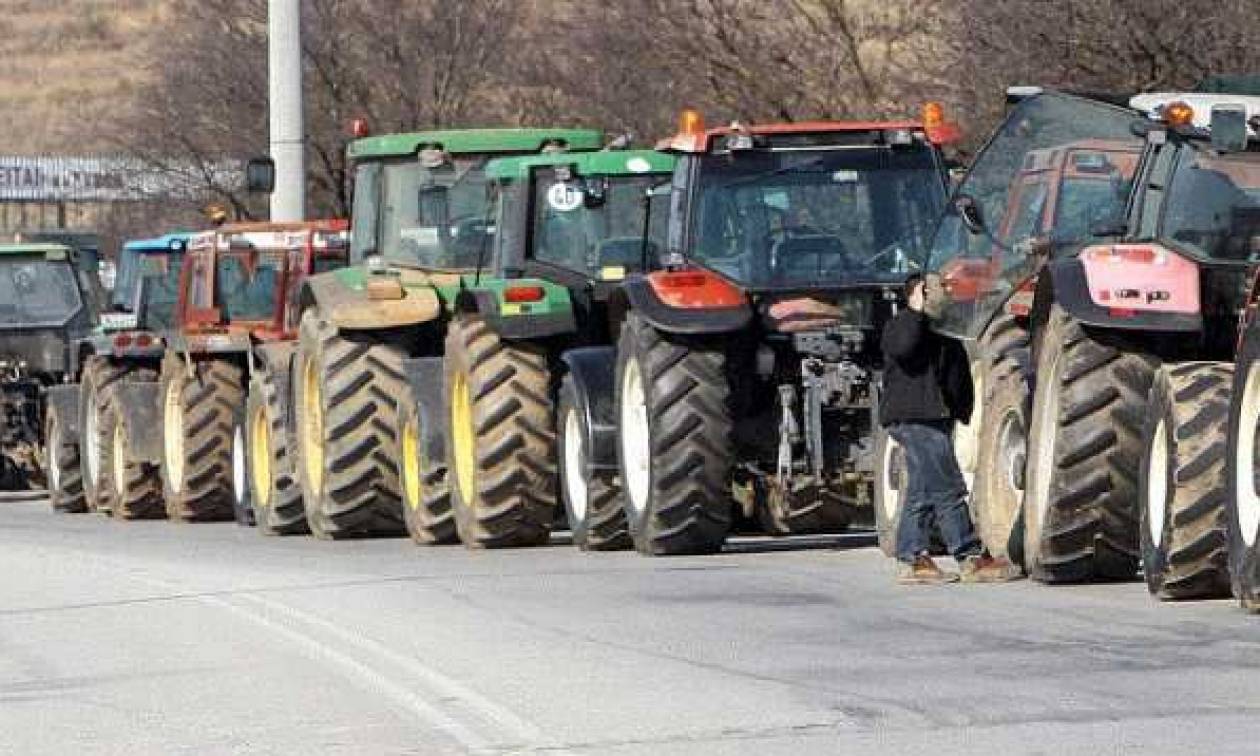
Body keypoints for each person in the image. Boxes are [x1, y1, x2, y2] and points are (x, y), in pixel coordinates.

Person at [880, 272, 1020, 584]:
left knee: (921, 491)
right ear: (920, 292)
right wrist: (917, 309)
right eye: (939, 287)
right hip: (914, 419)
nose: (947, 291)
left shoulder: (944, 330)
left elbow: (955, 374)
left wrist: (962, 410)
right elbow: (904, 348)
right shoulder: (902, 324)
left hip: (935, 419)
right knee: (948, 487)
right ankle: (969, 556)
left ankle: (912, 559)